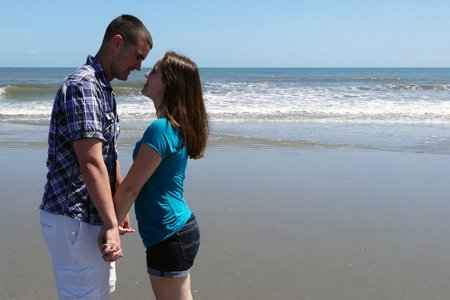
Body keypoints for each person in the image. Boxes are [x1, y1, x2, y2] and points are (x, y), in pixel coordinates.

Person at [39, 15, 152, 299]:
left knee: (99, 291)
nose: (139, 66)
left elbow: (107, 155)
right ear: (117, 43)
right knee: (84, 294)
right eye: (137, 56)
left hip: (91, 214)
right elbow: (89, 161)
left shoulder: (102, 89)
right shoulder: (85, 85)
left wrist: (116, 212)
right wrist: (111, 223)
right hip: (73, 216)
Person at [112, 51, 208, 300]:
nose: (146, 73)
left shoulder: (162, 128)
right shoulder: (174, 126)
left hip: (170, 234)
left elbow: (132, 188)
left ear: (170, 82)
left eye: (154, 71)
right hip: (177, 231)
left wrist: (109, 227)